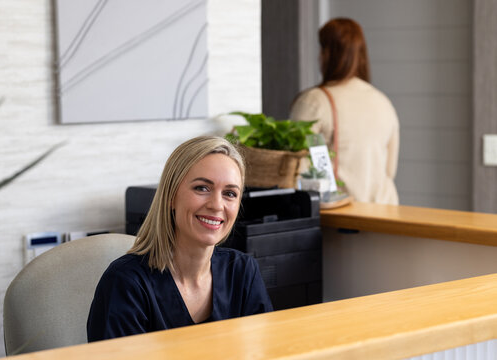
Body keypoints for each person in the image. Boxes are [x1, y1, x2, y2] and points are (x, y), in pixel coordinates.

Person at [87, 135, 273, 341]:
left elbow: (264, 351)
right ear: (171, 196)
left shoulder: (242, 271)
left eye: (230, 193)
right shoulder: (126, 282)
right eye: (202, 188)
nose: (217, 205)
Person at [291, 17, 399, 205]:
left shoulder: (314, 101)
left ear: (327, 54)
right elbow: (390, 171)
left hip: (342, 220)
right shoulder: (383, 102)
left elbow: (295, 169)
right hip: (386, 216)